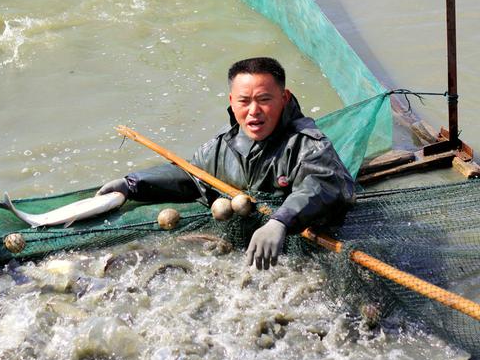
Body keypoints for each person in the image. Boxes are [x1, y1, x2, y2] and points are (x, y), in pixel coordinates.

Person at [98, 57, 355, 270]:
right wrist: (131, 185)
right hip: (241, 250)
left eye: (264, 99)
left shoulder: (308, 144)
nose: (254, 111)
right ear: (232, 102)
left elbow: (322, 185)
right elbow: (192, 176)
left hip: (304, 251)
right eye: (244, 101)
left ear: (284, 98)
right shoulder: (222, 145)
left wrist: (281, 222)